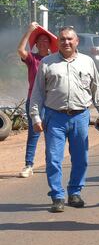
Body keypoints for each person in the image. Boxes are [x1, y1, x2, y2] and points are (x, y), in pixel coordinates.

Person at [29, 26, 99, 213]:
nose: (66, 42)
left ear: (76, 41)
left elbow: (98, 89)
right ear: (58, 41)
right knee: (53, 159)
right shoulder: (47, 63)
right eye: (63, 39)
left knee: (81, 158)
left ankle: (74, 192)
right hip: (54, 117)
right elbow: (38, 93)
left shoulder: (87, 62)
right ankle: (57, 196)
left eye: (70, 39)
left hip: (80, 116)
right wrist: (35, 117)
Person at [17, 22, 57, 178]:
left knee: (52, 133)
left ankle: (51, 163)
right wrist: (29, 31)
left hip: (52, 102)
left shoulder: (54, 59)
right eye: (39, 40)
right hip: (34, 101)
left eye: (46, 41)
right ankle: (28, 165)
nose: (42, 43)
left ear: (49, 44)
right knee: (34, 133)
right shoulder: (32, 59)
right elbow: (20, 50)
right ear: (35, 44)